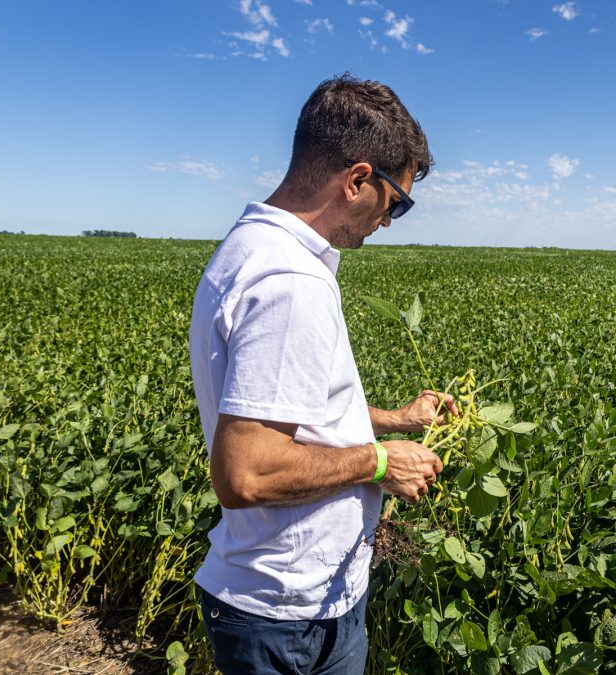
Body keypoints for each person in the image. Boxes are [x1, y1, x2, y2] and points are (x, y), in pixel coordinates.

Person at [188, 74, 454, 674]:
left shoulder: (251, 248)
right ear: (357, 180)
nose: (390, 220)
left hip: (294, 602)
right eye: (397, 201)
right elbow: (247, 472)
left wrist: (396, 420)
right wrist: (380, 462)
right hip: (287, 615)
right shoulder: (291, 284)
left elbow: (286, 414)